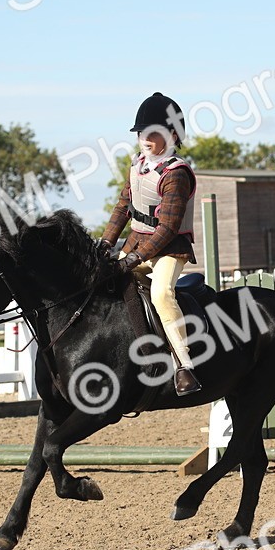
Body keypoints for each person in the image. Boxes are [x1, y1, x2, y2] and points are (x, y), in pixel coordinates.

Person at [99, 92, 201, 396]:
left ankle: (185, 366)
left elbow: (168, 228)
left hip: (169, 249)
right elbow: (122, 207)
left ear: (172, 135)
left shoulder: (176, 173)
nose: (144, 139)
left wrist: (133, 258)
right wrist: (106, 242)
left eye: (152, 133)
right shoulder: (138, 165)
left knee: (161, 293)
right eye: (141, 133)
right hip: (138, 242)